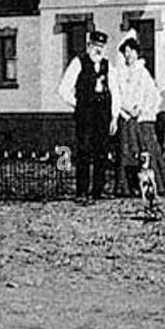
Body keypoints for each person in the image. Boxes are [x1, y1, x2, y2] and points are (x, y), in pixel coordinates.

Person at [58, 30, 115, 203]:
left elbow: (115, 91)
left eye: (102, 47)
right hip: (86, 113)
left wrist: (114, 116)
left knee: (101, 151)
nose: (99, 50)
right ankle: (81, 191)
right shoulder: (78, 63)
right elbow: (63, 90)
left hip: (103, 113)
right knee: (84, 150)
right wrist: (79, 104)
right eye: (96, 46)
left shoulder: (107, 65)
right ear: (89, 46)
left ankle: (98, 190)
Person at [111, 31, 165, 197]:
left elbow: (152, 95)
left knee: (146, 151)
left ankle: (150, 186)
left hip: (141, 118)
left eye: (131, 51)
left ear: (137, 53)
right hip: (126, 117)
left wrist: (141, 109)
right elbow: (117, 94)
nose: (128, 55)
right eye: (126, 52)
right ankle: (127, 187)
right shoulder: (120, 73)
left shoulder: (143, 73)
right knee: (127, 152)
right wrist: (125, 109)